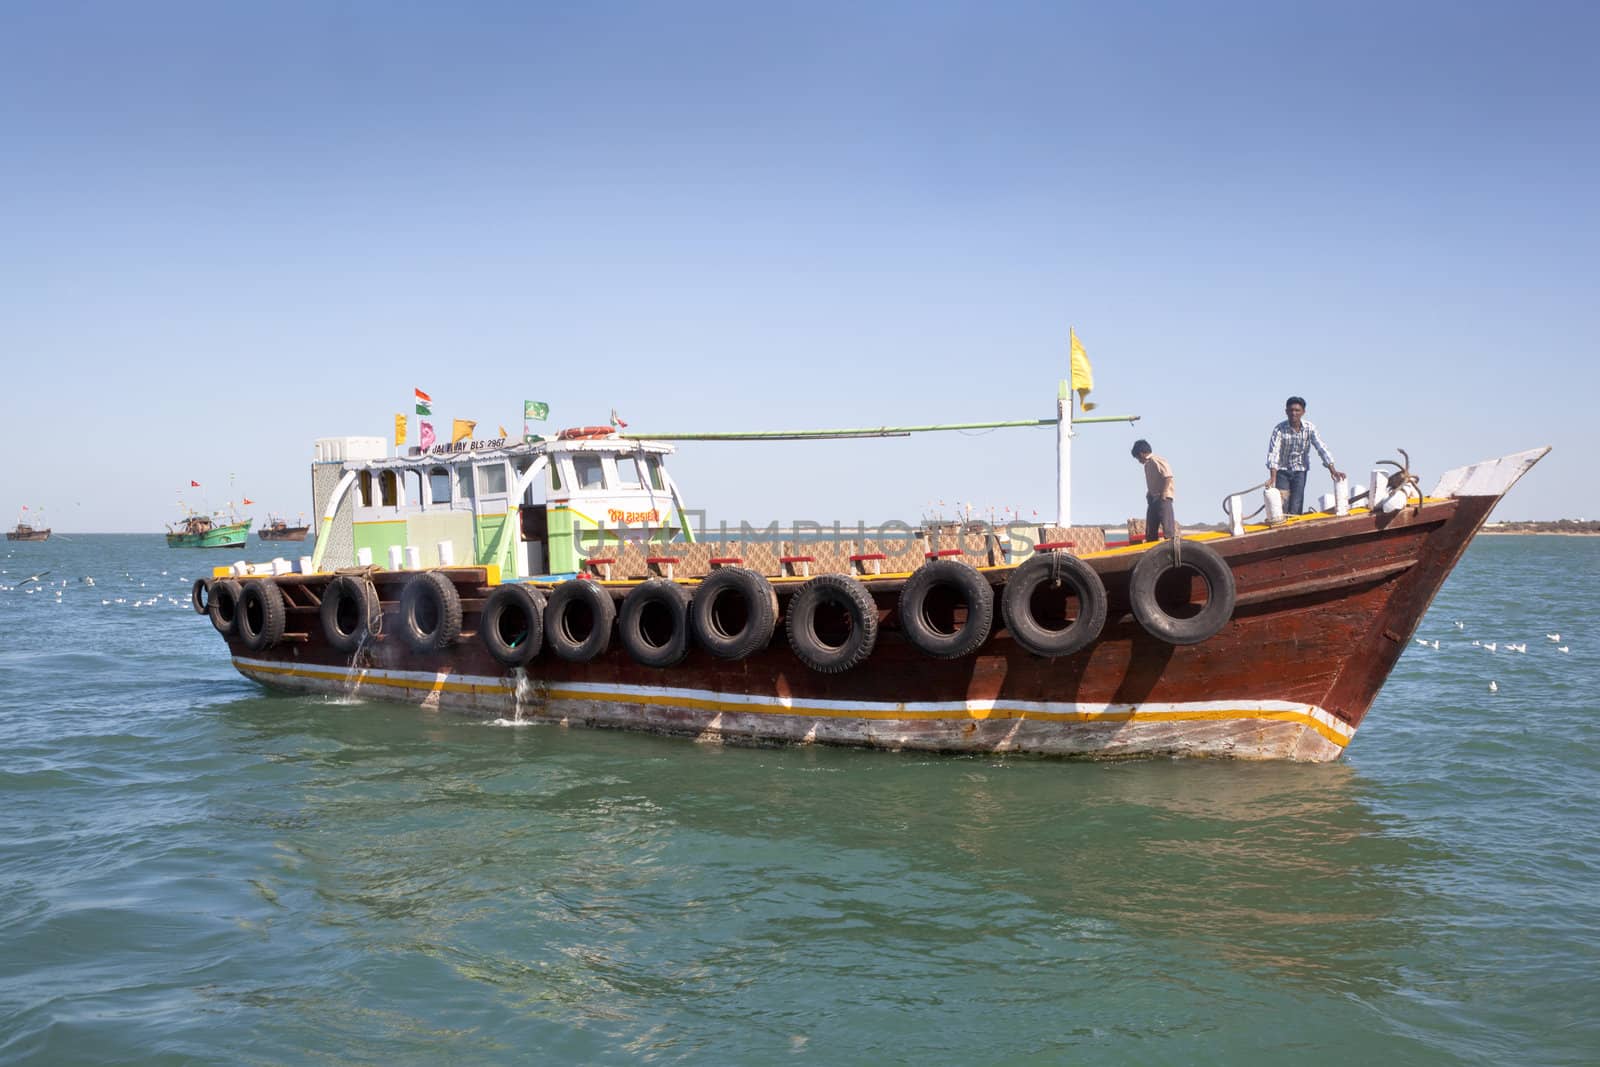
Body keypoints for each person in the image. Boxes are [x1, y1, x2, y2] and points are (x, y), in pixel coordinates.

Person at [1265, 396, 1345, 515]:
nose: (1294, 413)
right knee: (1282, 505)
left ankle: (1294, 530)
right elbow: (1273, 452)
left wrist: (1333, 470)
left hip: (1300, 471)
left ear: (1303, 412)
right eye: (1291, 410)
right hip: (1282, 471)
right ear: (1286, 411)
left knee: (1296, 505)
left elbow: (1321, 448)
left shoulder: (1309, 428)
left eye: (1297, 410)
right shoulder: (1279, 429)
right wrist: (1273, 477)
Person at [1131, 439, 1175, 543]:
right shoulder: (1147, 465)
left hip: (1163, 497)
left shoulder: (1157, 460)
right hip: (1153, 498)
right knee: (1151, 528)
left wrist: (1164, 493)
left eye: (1138, 458)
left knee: (1167, 528)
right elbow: (1153, 481)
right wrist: (1149, 493)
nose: (1139, 461)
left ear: (1141, 454)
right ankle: (1151, 546)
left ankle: (1171, 548)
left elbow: (1168, 476)